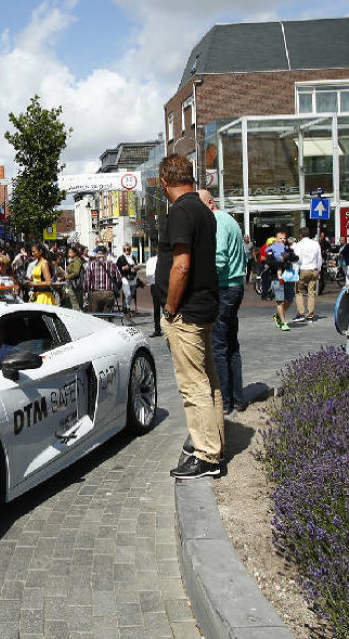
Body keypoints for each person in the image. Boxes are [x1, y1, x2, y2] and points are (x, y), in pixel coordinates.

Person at [154, 156, 222, 480]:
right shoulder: (205, 212)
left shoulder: (181, 211)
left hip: (187, 313)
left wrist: (168, 310)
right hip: (205, 307)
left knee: (193, 387)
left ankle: (207, 456)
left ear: (165, 182)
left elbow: (181, 266)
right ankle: (214, 443)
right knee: (209, 382)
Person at [198, 190, 247, 415]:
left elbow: (219, 258)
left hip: (224, 287)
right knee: (231, 344)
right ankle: (238, 398)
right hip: (236, 284)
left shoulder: (216, 221)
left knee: (218, 346)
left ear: (210, 203)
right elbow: (243, 256)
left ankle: (224, 402)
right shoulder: (231, 221)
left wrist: (205, 284)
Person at [291, 227, 322, 323]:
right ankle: (310, 314)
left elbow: (297, 259)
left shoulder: (299, 245)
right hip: (314, 269)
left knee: (298, 291)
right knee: (311, 292)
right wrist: (318, 270)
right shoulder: (316, 244)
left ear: (300, 235)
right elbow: (319, 258)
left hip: (304, 269)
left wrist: (295, 272)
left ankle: (301, 313)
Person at [84, 246, 122, 312]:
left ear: (96, 254)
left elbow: (86, 281)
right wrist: (115, 290)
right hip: (109, 293)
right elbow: (119, 279)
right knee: (108, 315)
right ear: (106, 255)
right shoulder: (112, 264)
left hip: (96, 294)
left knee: (96, 316)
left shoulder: (91, 265)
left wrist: (86, 293)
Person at [59, 246, 83, 310]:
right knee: (73, 302)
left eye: (70, 252)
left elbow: (76, 272)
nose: (69, 254)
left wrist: (68, 276)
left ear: (75, 253)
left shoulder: (77, 261)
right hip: (72, 284)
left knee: (75, 303)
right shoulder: (73, 261)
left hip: (74, 285)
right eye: (68, 252)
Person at [116, 245, 138, 313]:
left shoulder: (133, 257)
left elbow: (135, 266)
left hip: (132, 277)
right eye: (125, 249)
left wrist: (136, 268)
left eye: (128, 249)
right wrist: (123, 268)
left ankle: (125, 306)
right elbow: (117, 268)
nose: (127, 251)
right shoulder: (121, 258)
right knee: (127, 293)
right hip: (124, 277)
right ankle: (127, 309)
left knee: (132, 293)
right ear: (123, 250)